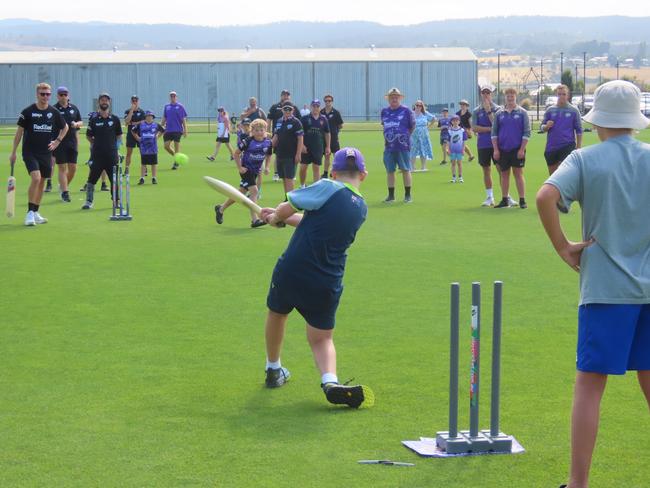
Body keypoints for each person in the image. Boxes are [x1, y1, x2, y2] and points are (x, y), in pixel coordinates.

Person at [536, 80, 650, 488]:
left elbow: (545, 197)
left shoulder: (585, 159)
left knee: (589, 386)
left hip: (605, 290)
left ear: (598, 121)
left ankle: (578, 483)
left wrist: (565, 247)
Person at [259, 147, 374, 409]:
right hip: (327, 279)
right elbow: (314, 223)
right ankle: (330, 381)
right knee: (322, 338)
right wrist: (280, 219)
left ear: (333, 172)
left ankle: (273, 369)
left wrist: (276, 217)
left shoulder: (327, 186)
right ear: (363, 175)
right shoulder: (361, 208)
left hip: (293, 268)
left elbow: (287, 206)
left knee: (277, 313)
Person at [9, 82, 67, 226]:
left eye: (48, 94)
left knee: (41, 182)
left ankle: (35, 212)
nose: (45, 97)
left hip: (46, 152)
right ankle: (29, 213)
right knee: (36, 178)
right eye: (42, 94)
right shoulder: (28, 111)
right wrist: (13, 152)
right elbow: (19, 133)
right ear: (37, 94)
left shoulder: (54, 112)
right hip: (30, 152)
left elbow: (65, 127)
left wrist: (57, 141)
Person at [215, 119, 271, 228]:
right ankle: (255, 220)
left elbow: (269, 155)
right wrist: (240, 167)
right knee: (254, 191)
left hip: (255, 171)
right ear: (252, 131)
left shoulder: (268, 142)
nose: (259, 132)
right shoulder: (248, 141)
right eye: (256, 130)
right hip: (246, 170)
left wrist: (267, 167)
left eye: (261, 130)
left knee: (240, 193)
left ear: (265, 130)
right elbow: (236, 154)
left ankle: (220, 209)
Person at [81, 92, 122, 210]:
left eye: (106, 100)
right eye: (102, 100)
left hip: (112, 155)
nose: (104, 102)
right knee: (91, 179)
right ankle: (89, 201)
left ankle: (116, 201)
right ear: (99, 103)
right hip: (97, 155)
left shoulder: (114, 119)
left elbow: (119, 135)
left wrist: (116, 148)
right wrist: (96, 144)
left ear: (109, 102)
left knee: (113, 179)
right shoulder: (94, 120)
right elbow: (88, 135)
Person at [491, 87, 531, 209]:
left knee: (518, 173)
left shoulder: (522, 113)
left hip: (517, 149)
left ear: (515, 97)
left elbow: (527, 132)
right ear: (505, 97)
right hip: (503, 149)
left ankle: (522, 200)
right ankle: (505, 199)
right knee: (504, 174)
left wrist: (522, 149)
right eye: (508, 95)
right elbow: (494, 133)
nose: (510, 97)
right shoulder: (499, 113)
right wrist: (496, 149)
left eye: (512, 95)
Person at [380, 87, 415, 203]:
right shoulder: (384, 111)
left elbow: (412, 126)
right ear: (388, 99)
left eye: (396, 97)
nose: (394, 99)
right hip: (389, 146)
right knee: (390, 170)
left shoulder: (406, 111)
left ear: (400, 98)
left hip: (403, 146)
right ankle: (391, 195)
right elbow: (384, 125)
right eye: (392, 97)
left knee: (405, 169)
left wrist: (405, 136)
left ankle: (408, 195)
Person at [541, 85, 583, 175]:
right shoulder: (550, 110)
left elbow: (579, 130)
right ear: (556, 95)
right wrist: (546, 126)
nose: (561, 96)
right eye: (559, 94)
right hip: (551, 147)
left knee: (564, 175)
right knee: (553, 177)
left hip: (567, 146)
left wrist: (578, 147)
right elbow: (542, 127)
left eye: (564, 94)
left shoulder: (574, 110)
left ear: (567, 95)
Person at [472, 84, 503, 207]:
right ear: (481, 94)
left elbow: (498, 126)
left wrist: (489, 111)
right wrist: (489, 129)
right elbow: (474, 128)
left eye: (488, 93)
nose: (486, 95)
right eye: (484, 93)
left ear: (492, 94)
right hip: (483, 144)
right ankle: (490, 197)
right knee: (486, 170)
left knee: (501, 170)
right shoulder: (476, 111)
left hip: (497, 144)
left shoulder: (499, 109)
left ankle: (505, 196)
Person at [52, 86, 82, 203]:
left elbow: (81, 121)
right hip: (60, 142)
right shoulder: (54, 109)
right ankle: (65, 192)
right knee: (62, 168)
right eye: (61, 94)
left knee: (73, 168)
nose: (63, 97)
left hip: (72, 141)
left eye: (65, 94)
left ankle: (63, 186)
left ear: (68, 95)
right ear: (58, 96)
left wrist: (76, 124)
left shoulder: (74, 108)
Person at [271, 100, 304, 195]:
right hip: (280, 154)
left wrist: (298, 154)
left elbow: (300, 139)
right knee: (284, 178)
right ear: (282, 110)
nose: (287, 111)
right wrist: (268, 147)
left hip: (291, 155)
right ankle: (287, 198)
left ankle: (291, 201)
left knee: (289, 178)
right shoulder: (279, 121)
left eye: (289, 109)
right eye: (285, 109)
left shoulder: (296, 122)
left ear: (292, 110)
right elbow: (276, 136)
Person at [268, 90, 300, 181]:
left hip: (293, 136)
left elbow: (299, 121)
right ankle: (276, 173)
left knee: (293, 156)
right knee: (277, 154)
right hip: (278, 135)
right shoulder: (275, 107)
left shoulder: (294, 108)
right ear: (281, 96)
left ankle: (292, 174)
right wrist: (268, 132)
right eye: (284, 95)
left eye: (287, 95)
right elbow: (269, 119)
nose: (285, 96)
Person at [299, 99, 330, 187]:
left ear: (320, 107)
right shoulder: (305, 119)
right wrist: (302, 145)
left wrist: (328, 146)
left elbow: (327, 133)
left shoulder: (323, 119)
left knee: (316, 167)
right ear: (311, 107)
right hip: (306, 147)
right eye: (314, 106)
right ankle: (302, 185)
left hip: (318, 147)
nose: (315, 108)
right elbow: (300, 133)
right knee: (303, 168)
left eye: (317, 106)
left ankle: (315, 187)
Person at [133, 111, 164, 185]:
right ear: (145, 117)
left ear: (153, 117)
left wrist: (157, 136)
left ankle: (154, 178)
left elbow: (163, 130)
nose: (149, 117)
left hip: (153, 147)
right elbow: (133, 131)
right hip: (144, 147)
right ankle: (142, 178)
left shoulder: (156, 125)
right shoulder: (141, 124)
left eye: (151, 116)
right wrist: (138, 138)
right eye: (148, 116)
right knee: (143, 163)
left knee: (154, 163)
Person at [161, 91, 188, 170]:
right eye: (171, 96)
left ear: (176, 97)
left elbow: (183, 119)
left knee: (177, 147)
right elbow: (164, 118)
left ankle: (176, 163)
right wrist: (160, 127)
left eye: (174, 96)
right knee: (166, 146)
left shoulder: (180, 106)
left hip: (177, 130)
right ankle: (177, 157)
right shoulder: (167, 107)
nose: (173, 97)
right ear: (170, 97)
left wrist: (185, 130)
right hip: (168, 130)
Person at [320, 94, 344, 179]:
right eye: (326, 101)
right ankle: (325, 173)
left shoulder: (336, 112)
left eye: (329, 101)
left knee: (336, 156)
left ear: (332, 102)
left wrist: (335, 131)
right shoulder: (321, 112)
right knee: (327, 156)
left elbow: (340, 125)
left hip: (333, 138)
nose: (327, 102)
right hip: (323, 138)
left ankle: (335, 171)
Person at [409, 100, 435, 172]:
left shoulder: (425, 113)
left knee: (423, 149)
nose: (418, 107)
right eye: (417, 105)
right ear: (414, 106)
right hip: (413, 135)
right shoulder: (411, 114)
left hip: (423, 135)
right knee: (412, 150)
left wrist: (429, 127)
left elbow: (433, 119)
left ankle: (423, 166)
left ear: (422, 106)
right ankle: (412, 167)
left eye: (420, 105)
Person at [124, 95, 146, 171]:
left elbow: (143, 122)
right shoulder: (127, 111)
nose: (135, 102)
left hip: (140, 134)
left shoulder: (142, 112)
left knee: (142, 152)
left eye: (136, 101)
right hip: (131, 134)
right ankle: (127, 168)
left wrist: (134, 123)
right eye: (133, 101)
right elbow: (127, 122)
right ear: (131, 102)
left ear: (138, 101)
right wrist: (131, 111)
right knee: (129, 153)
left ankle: (144, 168)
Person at [447, 115, 467, 183]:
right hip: (452, 150)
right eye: (453, 121)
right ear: (451, 122)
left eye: (457, 120)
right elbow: (448, 141)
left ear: (459, 121)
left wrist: (463, 149)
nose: (455, 122)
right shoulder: (450, 130)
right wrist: (448, 149)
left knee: (459, 163)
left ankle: (460, 176)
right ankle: (453, 177)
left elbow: (464, 141)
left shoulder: (462, 130)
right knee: (453, 163)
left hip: (459, 150)